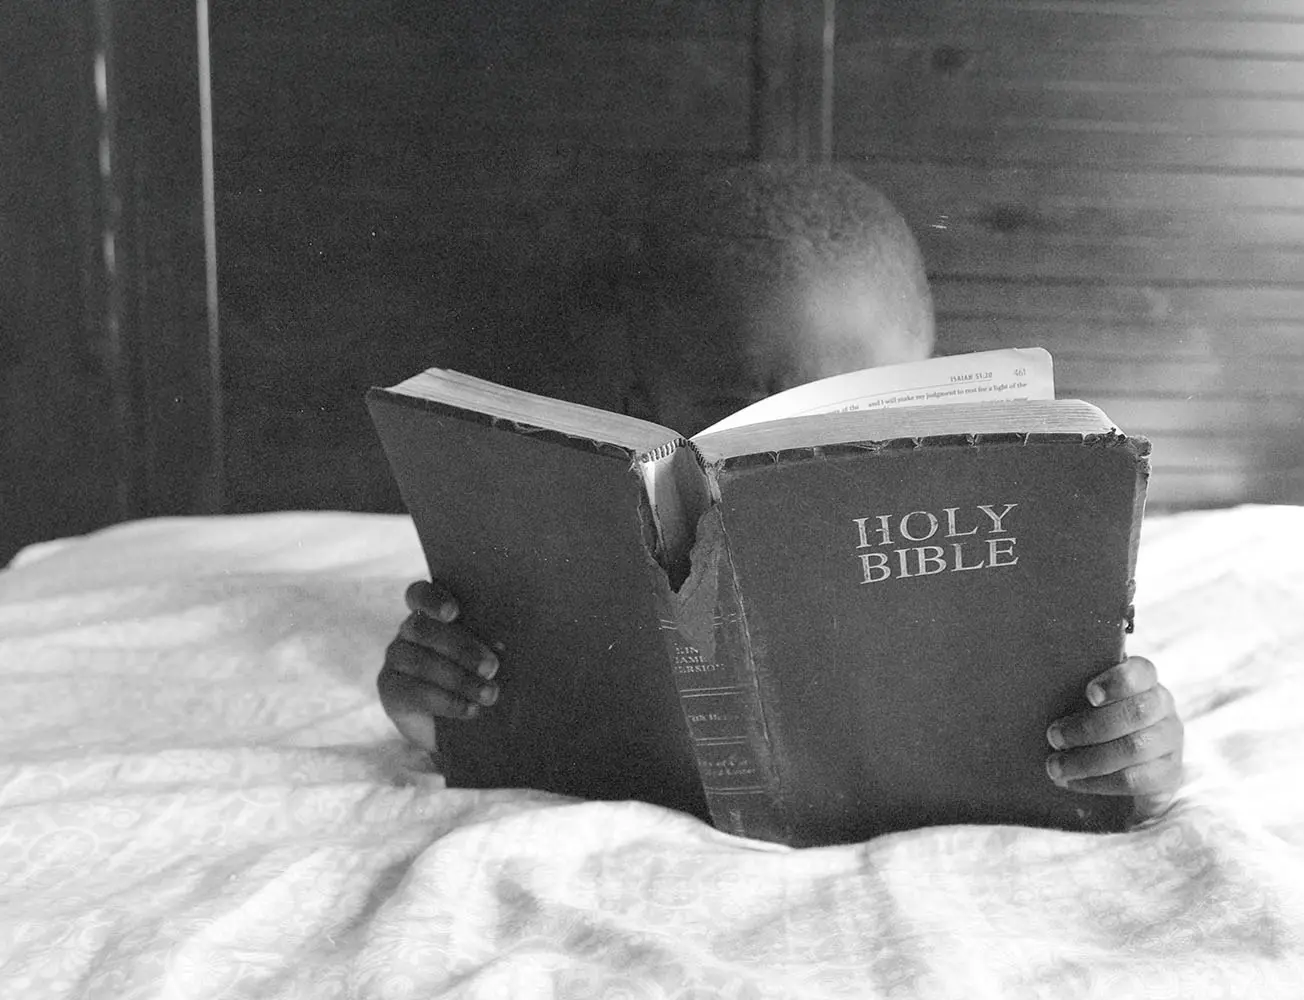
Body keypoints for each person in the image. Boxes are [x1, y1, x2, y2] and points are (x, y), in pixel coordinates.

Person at [378, 162, 1184, 821]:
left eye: (859, 411)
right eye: (744, 414)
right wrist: (433, 702)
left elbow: (1108, 736)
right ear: (639, 407)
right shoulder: (570, 542)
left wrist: (1132, 751)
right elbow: (486, 722)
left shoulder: (1006, 541)